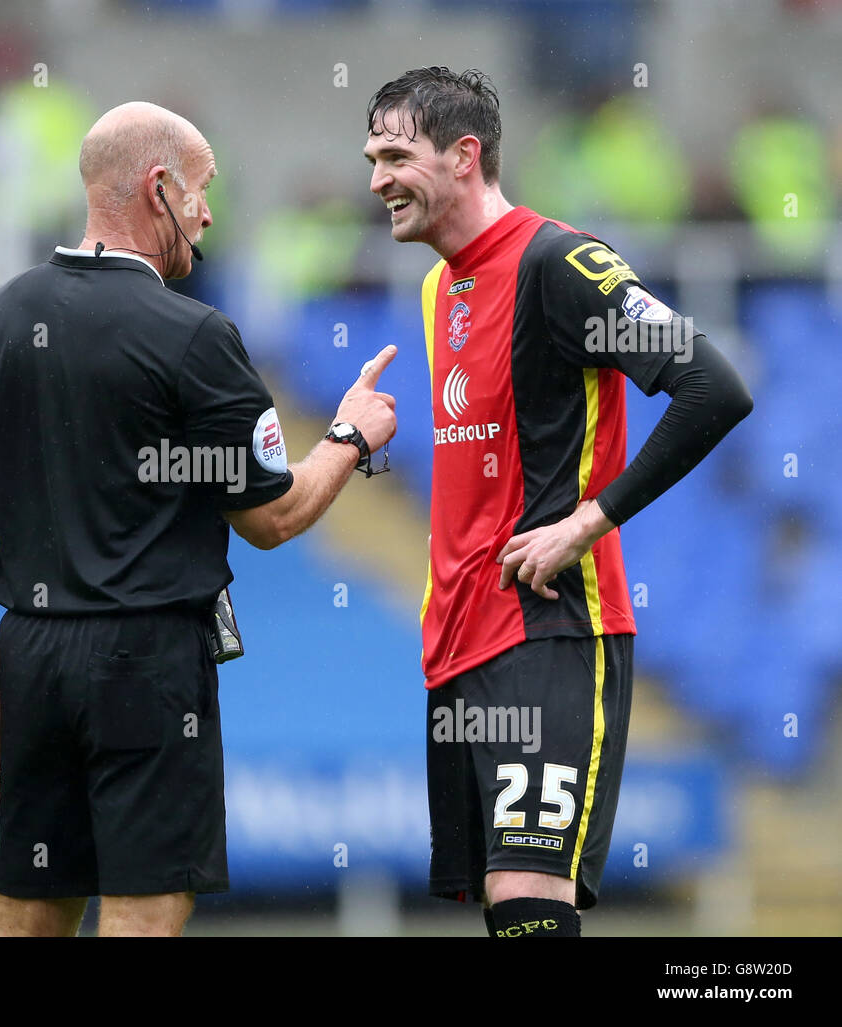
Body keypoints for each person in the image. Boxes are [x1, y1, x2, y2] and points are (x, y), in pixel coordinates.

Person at [0, 101, 398, 938]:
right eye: (202, 191)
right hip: (147, 659)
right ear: (159, 188)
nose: (210, 213)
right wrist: (349, 436)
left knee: (31, 905)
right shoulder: (195, 337)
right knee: (144, 908)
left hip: (32, 650)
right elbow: (273, 516)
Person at [363, 67, 753, 937]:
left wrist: (588, 522)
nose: (378, 179)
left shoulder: (559, 262)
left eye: (396, 155)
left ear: (465, 156)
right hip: (460, 647)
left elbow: (712, 386)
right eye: (372, 158)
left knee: (531, 901)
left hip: (551, 630)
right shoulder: (437, 287)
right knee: (507, 914)